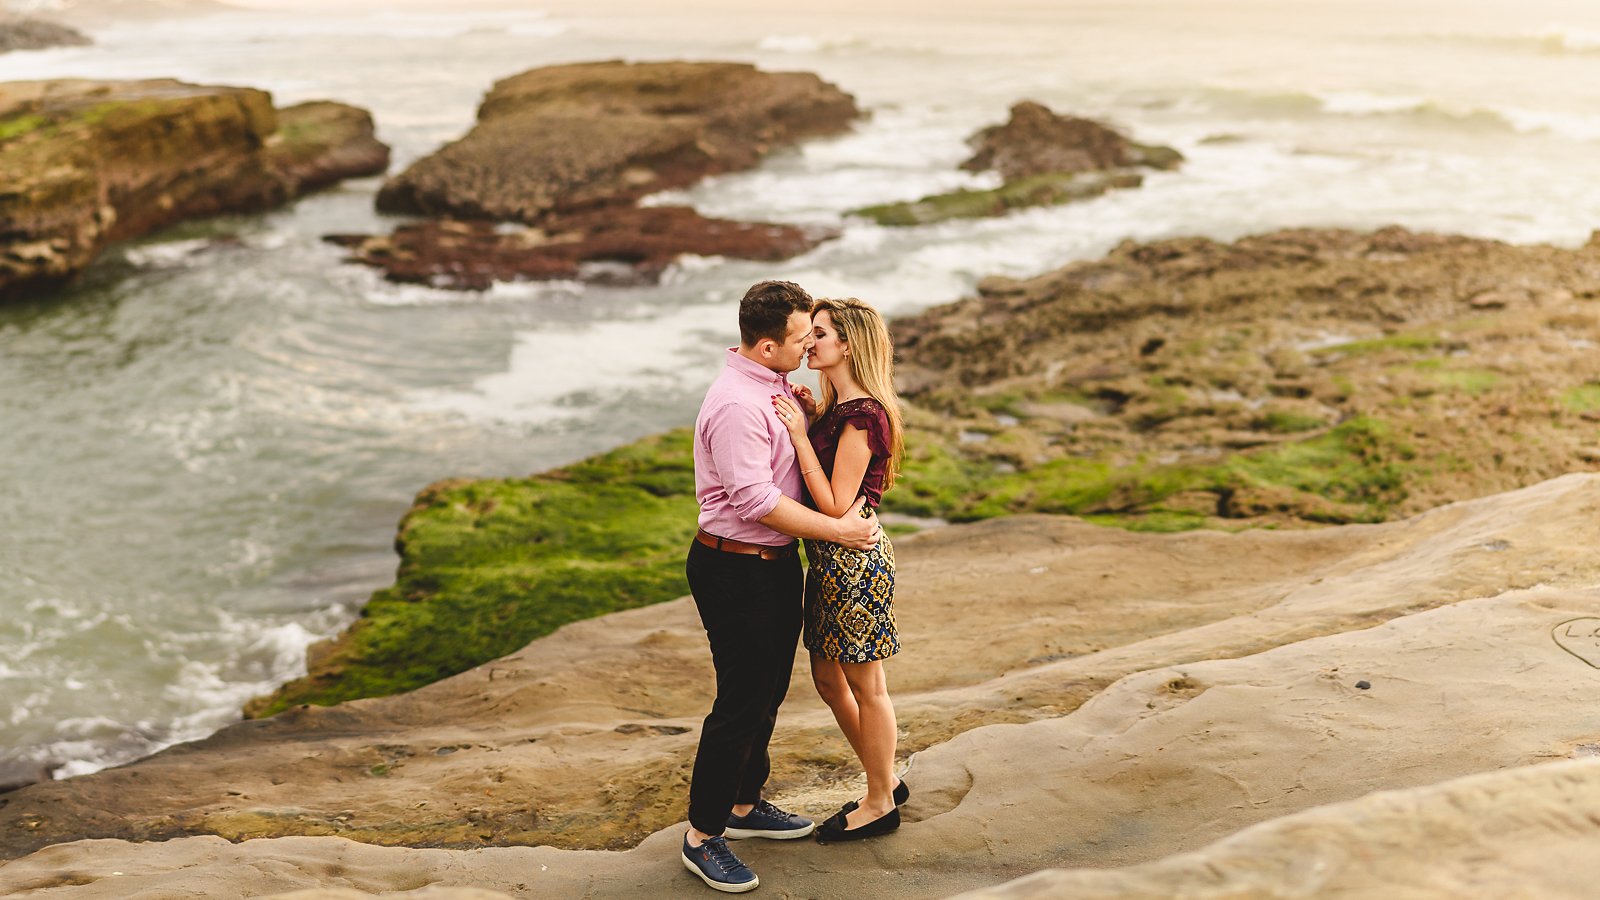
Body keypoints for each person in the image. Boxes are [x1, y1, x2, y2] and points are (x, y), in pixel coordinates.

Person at [681, 280, 883, 893]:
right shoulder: (738, 405)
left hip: (771, 564)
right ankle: (701, 835)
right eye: (801, 337)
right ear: (767, 346)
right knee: (740, 701)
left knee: (767, 691)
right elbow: (754, 499)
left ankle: (743, 806)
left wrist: (808, 412)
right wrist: (836, 530)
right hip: (735, 565)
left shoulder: (768, 383)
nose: (808, 346)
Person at [770, 297, 907, 844]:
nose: (809, 341)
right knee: (829, 679)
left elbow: (833, 505)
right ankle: (886, 777)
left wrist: (801, 436)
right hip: (829, 559)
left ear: (847, 345)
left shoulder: (865, 415)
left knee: (867, 686)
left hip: (854, 563)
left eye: (819, 333)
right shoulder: (838, 408)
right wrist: (811, 417)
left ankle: (879, 800)